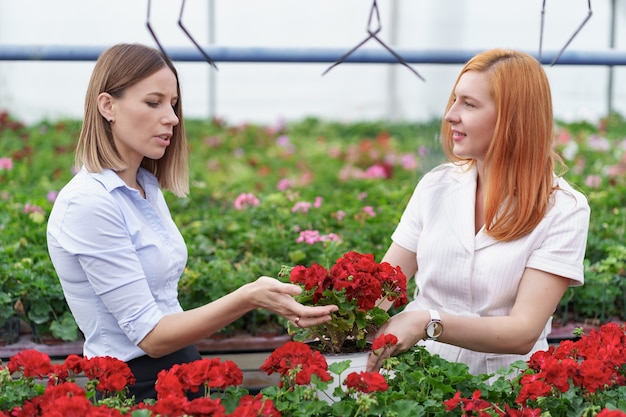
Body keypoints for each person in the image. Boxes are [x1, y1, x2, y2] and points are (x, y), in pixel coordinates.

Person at [46, 43, 338, 403]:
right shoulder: (89, 203)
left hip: (179, 372)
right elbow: (151, 338)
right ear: (107, 106)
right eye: (154, 102)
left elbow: (166, 310)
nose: (171, 117)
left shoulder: (143, 187)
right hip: (134, 390)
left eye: (173, 104)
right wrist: (248, 297)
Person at [366, 48, 590, 378]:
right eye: (455, 100)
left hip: (505, 389)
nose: (450, 115)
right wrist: (328, 309)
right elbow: (385, 288)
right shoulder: (436, 185)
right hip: (418, 380)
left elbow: (523, 332)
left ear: (513, 118)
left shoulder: (563, 209)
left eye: (469, 104)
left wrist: (428, 321)